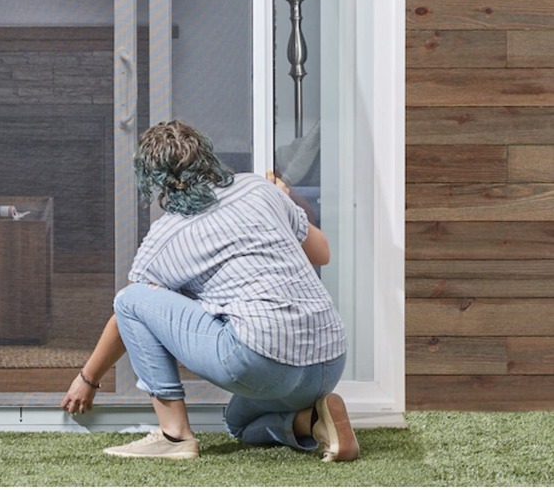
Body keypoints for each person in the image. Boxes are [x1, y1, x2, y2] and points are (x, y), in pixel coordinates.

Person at [60, 119, 358, 462]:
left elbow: (128, 314)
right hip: (329, 361)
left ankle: (174, 436)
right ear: (206, 155)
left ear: (155, 183)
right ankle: (316, 421)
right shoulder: (258, 189)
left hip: (263, 364)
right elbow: (322, 253)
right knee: (238, 423)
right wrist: (286, 201)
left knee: (130, 299)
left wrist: (88, 378)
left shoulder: (166, 235)